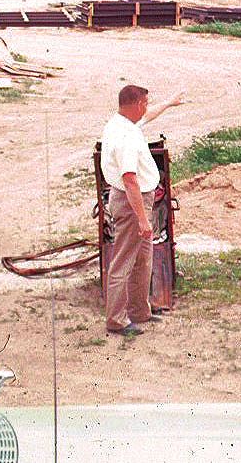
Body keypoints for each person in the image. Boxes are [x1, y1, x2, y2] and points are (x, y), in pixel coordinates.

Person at [100, 84, 183, 336]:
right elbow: (129, 179)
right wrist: (143, 220)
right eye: (145, 103)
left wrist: (169, 103)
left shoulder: (123, 122)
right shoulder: (124, 136)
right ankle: (116, 319)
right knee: (124, 260)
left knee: (143, 259)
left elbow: (148, 116)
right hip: (131, 202)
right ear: (135, 104)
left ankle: (139, 311)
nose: (147, 107)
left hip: (136, 201)